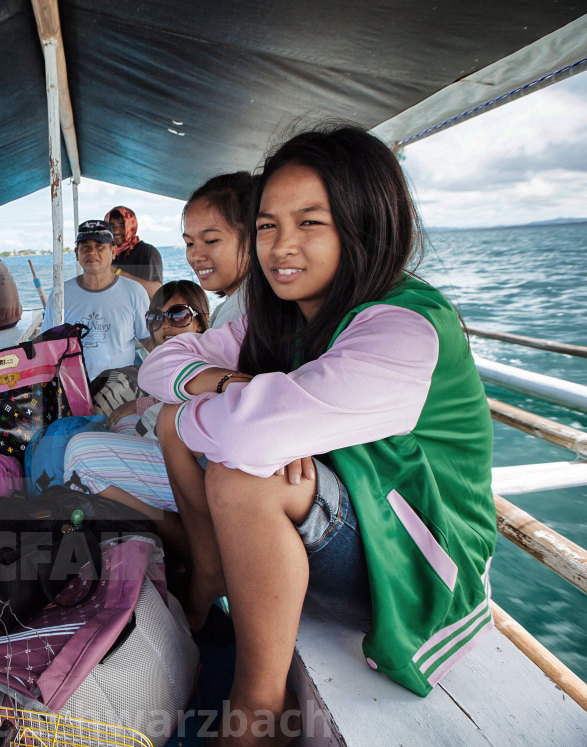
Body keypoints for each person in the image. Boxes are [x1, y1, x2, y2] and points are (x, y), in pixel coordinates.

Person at [140, 126, 496, 744]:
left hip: (420, 552)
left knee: (241, 470)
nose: (282, 247)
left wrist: (244, 411)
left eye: (311, 223)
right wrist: (232, 386)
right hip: (347, 515)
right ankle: (213, 571)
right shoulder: (276, 312)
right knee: (186, 425)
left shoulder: (403, 326)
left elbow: (249, 438)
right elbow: (159, 366)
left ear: (364, 226)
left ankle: (259, 708)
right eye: (269, 225)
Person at [64, 280, 210, 556]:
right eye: (156, 317)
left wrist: (144, 403)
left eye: (179, 315)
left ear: (200, 322)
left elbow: (192, 393)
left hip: (188, 467)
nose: (166, 324)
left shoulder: (207, 357)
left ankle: (167, 524)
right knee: (119, 421)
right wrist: (141, 403)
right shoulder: (172, 359)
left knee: (77, 453)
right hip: (165, 442)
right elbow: (174, 393)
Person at [41, 219, 149, 381]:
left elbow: (147, 338)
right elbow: (47, 344)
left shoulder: (134, 291)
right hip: (74, 386)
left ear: (113, 251)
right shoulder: (60, 295)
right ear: (77, 253)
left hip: (120, 387)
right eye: (85, 247)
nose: (92, 252)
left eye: (100, 246)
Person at [182, 173, 254, 328]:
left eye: (211, 241)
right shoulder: (234, 305)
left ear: (253, 238)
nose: (195, 256)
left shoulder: (240, 316)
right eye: (189, 243)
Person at [106, 205, 163, 298]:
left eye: (122, 225)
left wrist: (118, 273)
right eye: (112, 226)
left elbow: (156, 292)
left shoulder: (148, 252)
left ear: (131, 226)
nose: (116, 231)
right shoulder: (109, 254)